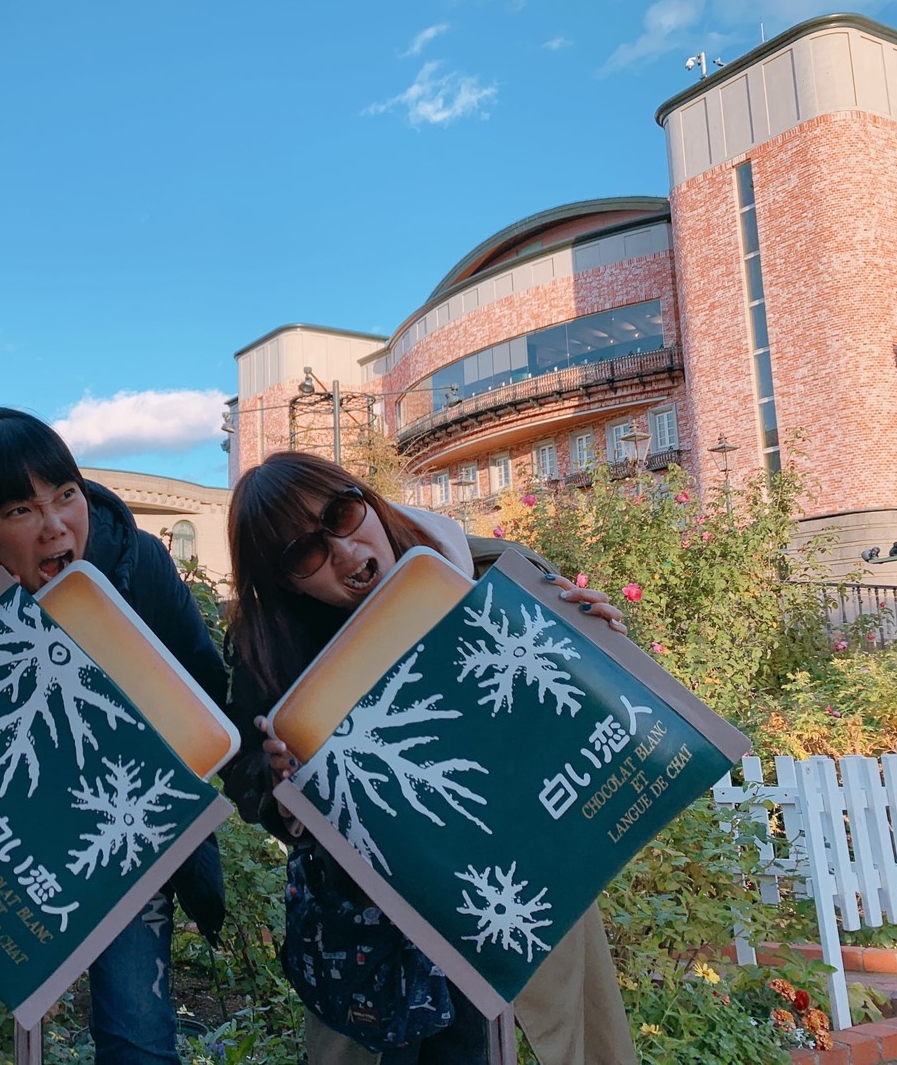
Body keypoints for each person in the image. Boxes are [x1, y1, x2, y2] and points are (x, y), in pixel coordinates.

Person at [220, 451, 636, 1065]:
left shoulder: (492, 572)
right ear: (285, 579)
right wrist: (281, 784)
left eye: (340, 513)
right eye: (303, 552)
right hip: (375, 915)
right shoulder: (271, 650)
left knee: (564, 1039)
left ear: (364, 498)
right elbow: (248, 775)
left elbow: (586, 718)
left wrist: (598, 647)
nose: (341, 550)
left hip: (522, 881)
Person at [0, 407, 227, 1065]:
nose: (58, 524)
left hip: (119, 827)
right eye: (21, 511)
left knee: (139, 1034)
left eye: (65, 495)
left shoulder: (134, 561)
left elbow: (205, 691)